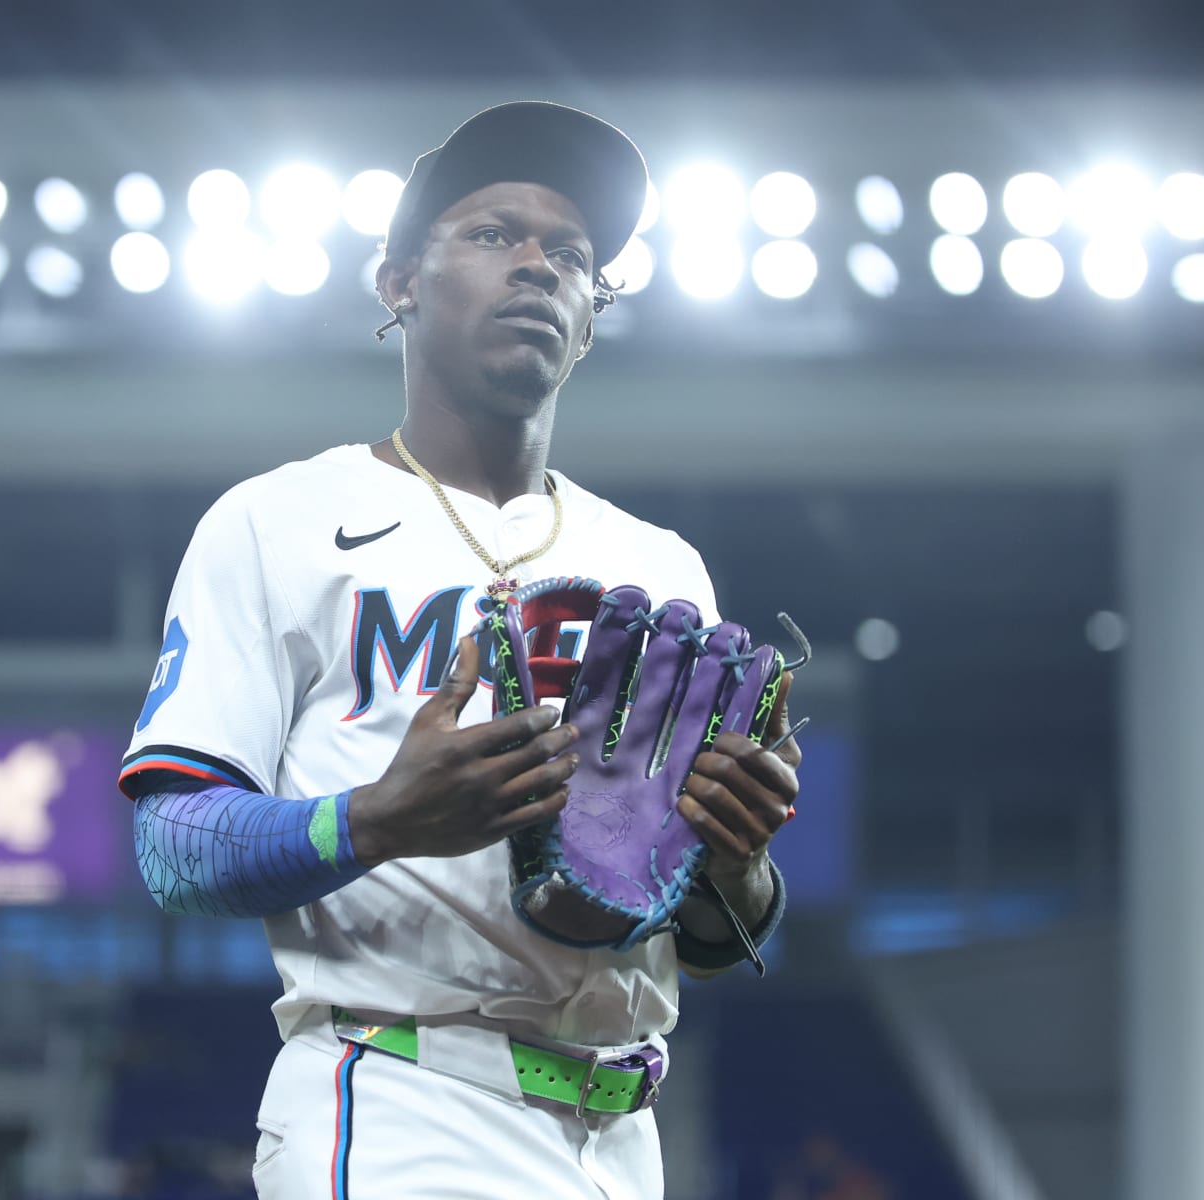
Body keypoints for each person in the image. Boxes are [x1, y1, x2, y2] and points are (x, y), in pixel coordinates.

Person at [119, 101, 803, 1200]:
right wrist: (377, 818)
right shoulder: (279, 521)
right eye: (492, 234)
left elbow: (708, 940)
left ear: (591, 321)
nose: (537, 266)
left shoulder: (660, 565)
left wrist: (736, 858)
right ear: (399, 283)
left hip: (623, 1134)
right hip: (403, 1095)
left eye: (570, 256)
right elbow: (171, 848)